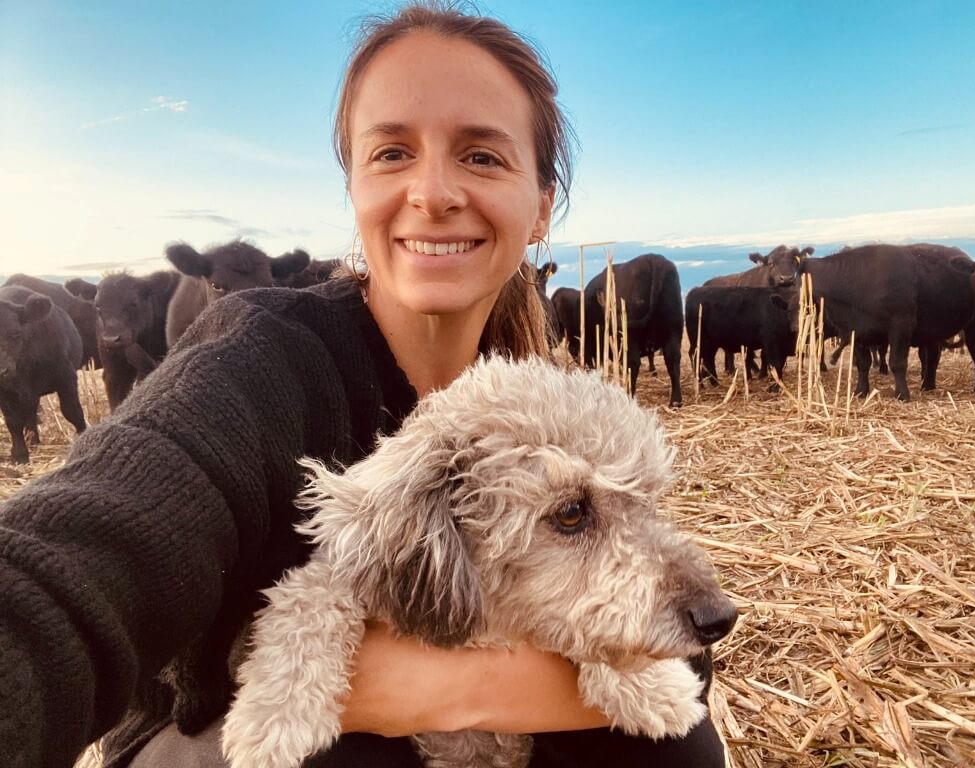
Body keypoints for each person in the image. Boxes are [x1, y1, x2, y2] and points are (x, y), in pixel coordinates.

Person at [0, 4, 727, 767]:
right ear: (354, 187)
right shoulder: (258, 363)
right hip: (214, 739)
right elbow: (85, 559)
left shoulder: (551, 407)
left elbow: (679, 654)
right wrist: (365, 690)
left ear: (541, 206)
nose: (434, 192)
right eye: (392, 154)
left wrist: (436, 685)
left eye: (482, 156)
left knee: (674, 748)